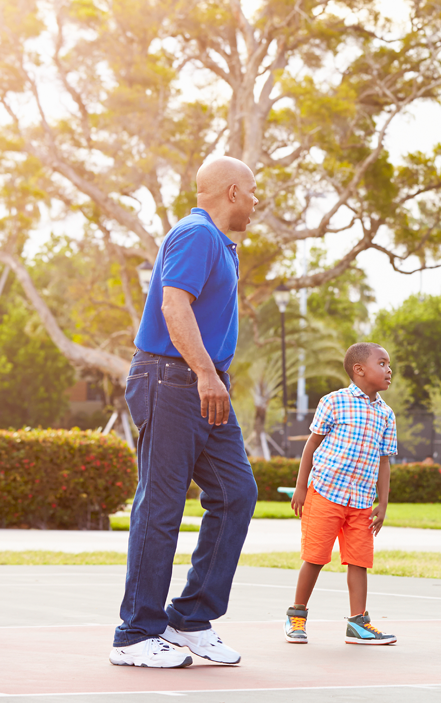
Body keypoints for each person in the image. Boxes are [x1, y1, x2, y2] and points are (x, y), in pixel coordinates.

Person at [110, 157, 260, 669]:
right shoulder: (196, 234)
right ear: (233, 192)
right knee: (162, 505)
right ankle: (135, 632)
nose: (258, 202)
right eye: (254, 192)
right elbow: (175, 306)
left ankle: (190, 617)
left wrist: (209, 376)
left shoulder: (221, 244)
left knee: (236, 492)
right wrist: (204, 372)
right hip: (174, 380)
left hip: (202, 383)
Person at [284, 342, 397, 646]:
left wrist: (382, 503)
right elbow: (312, 444)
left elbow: (384, 461)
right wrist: (301, 486)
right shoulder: (334, 402)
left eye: (388, 365)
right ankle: (296, 615)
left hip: (361, 503)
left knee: (359, 561)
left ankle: (358, 623)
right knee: (315, 558)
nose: (389, 370)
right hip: (325, 493)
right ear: (360, 370)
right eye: (382, 364)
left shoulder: (387, 415)